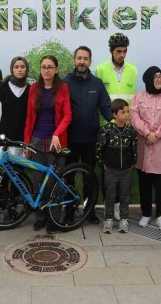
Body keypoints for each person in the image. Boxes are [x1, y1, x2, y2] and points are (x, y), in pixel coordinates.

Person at [64, 46, 112, 225]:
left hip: (91, 140)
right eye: (79, 58)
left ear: (90, 62)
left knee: (89, 177)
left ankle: (89, 211)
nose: (82, 62)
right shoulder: (65, 83)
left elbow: (106, 108)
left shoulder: (97, 84)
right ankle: (69, 212)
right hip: (70, 140)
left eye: (85, 58)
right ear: (74, 60)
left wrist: (118, 122)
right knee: (68, 178)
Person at [24, 55, 72, 234]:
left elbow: (68, 115)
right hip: (36, 140)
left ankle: (54, 219)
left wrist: (56, 134)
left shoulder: (63, 88)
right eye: (43, 67)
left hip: (56, 142)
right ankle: (41, 217)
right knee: (38, 181)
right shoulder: (34, 88)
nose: (46, 70)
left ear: (56, 69)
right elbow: (29, 117)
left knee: (55, 183)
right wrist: (26, 143)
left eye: (50, 67)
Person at [96, 33, 137, 220]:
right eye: (118, 51)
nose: (122, 55)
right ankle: (109, 208)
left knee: (124, 171)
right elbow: (99, 100)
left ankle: (120, 208)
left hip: (125, 129)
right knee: (108, 172)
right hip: (107, 128)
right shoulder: (101, 70)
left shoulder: (133, 71)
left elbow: (132, 101)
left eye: (124, 51)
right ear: (111, 51)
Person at [131, 66, 161, 230]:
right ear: (148, 79)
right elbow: (134, 118)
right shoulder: (138, 97)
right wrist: (146, 133)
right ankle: (146, 213)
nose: (158, 79)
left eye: (160, 76)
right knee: (144, 183)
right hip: (143, 146)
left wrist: (156, 134)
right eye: (155, 76)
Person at [96, 99, 137, 234]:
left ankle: (124, 219)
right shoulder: (106, 130)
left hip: (126, 170)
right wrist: (103, 163)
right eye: (123, 112)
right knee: (110, 195)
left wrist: (132, 164)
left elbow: (134, 148)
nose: (126, 115)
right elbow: (99, 149)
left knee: (125, 195)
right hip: (111, 170)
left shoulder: (130, 130)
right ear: (114, 115)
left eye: (127, 112)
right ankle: (108, 219)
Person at [0, 56, 30, 154]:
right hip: (5, 141)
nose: (20, 70)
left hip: (23, 143)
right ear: (12, 69)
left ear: (27, 69)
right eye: (16, 67)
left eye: (22, 67)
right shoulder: (2, 88)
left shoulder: (30, 89)